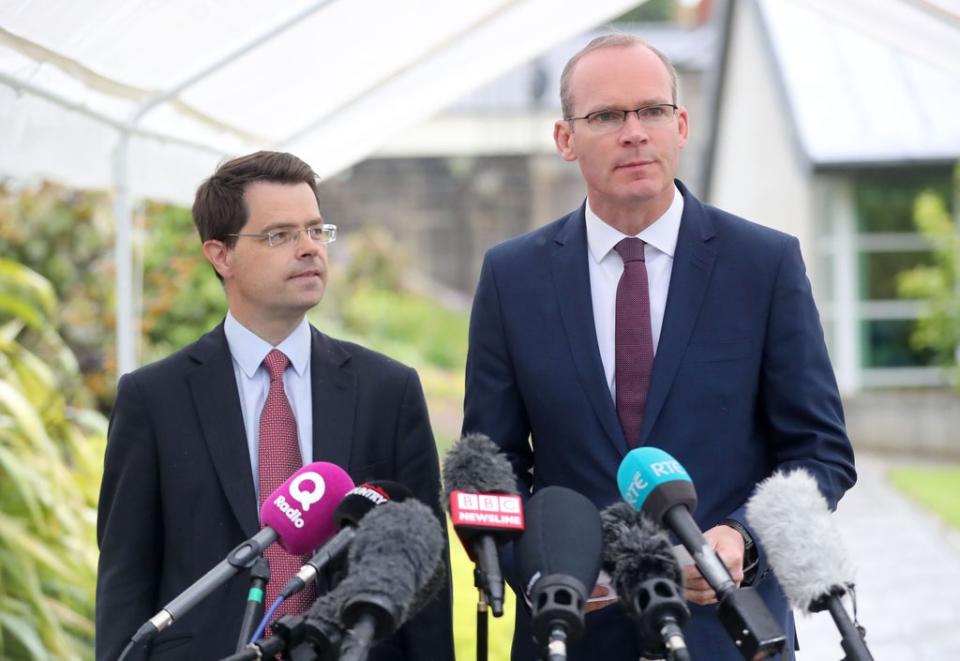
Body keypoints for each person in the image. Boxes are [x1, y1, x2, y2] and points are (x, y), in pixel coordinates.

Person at [462, 35, 857, 660]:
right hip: (574, 636)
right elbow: (491, 466)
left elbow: (820, 451)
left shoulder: (764, 264)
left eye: (650, 111)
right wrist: (543, 574)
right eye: (606, 116)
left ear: (681, 125)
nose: (633, 132)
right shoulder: (512, 277)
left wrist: (741, 540)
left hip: (726, 632)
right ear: (565, 138)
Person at [96, 151, 455, 661]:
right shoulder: (154, 398)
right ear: (220, 255)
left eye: (315, 230)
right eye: (280, 235)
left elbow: (422, 567)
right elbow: (125, 578)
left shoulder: (387, 390)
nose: (308, 248)